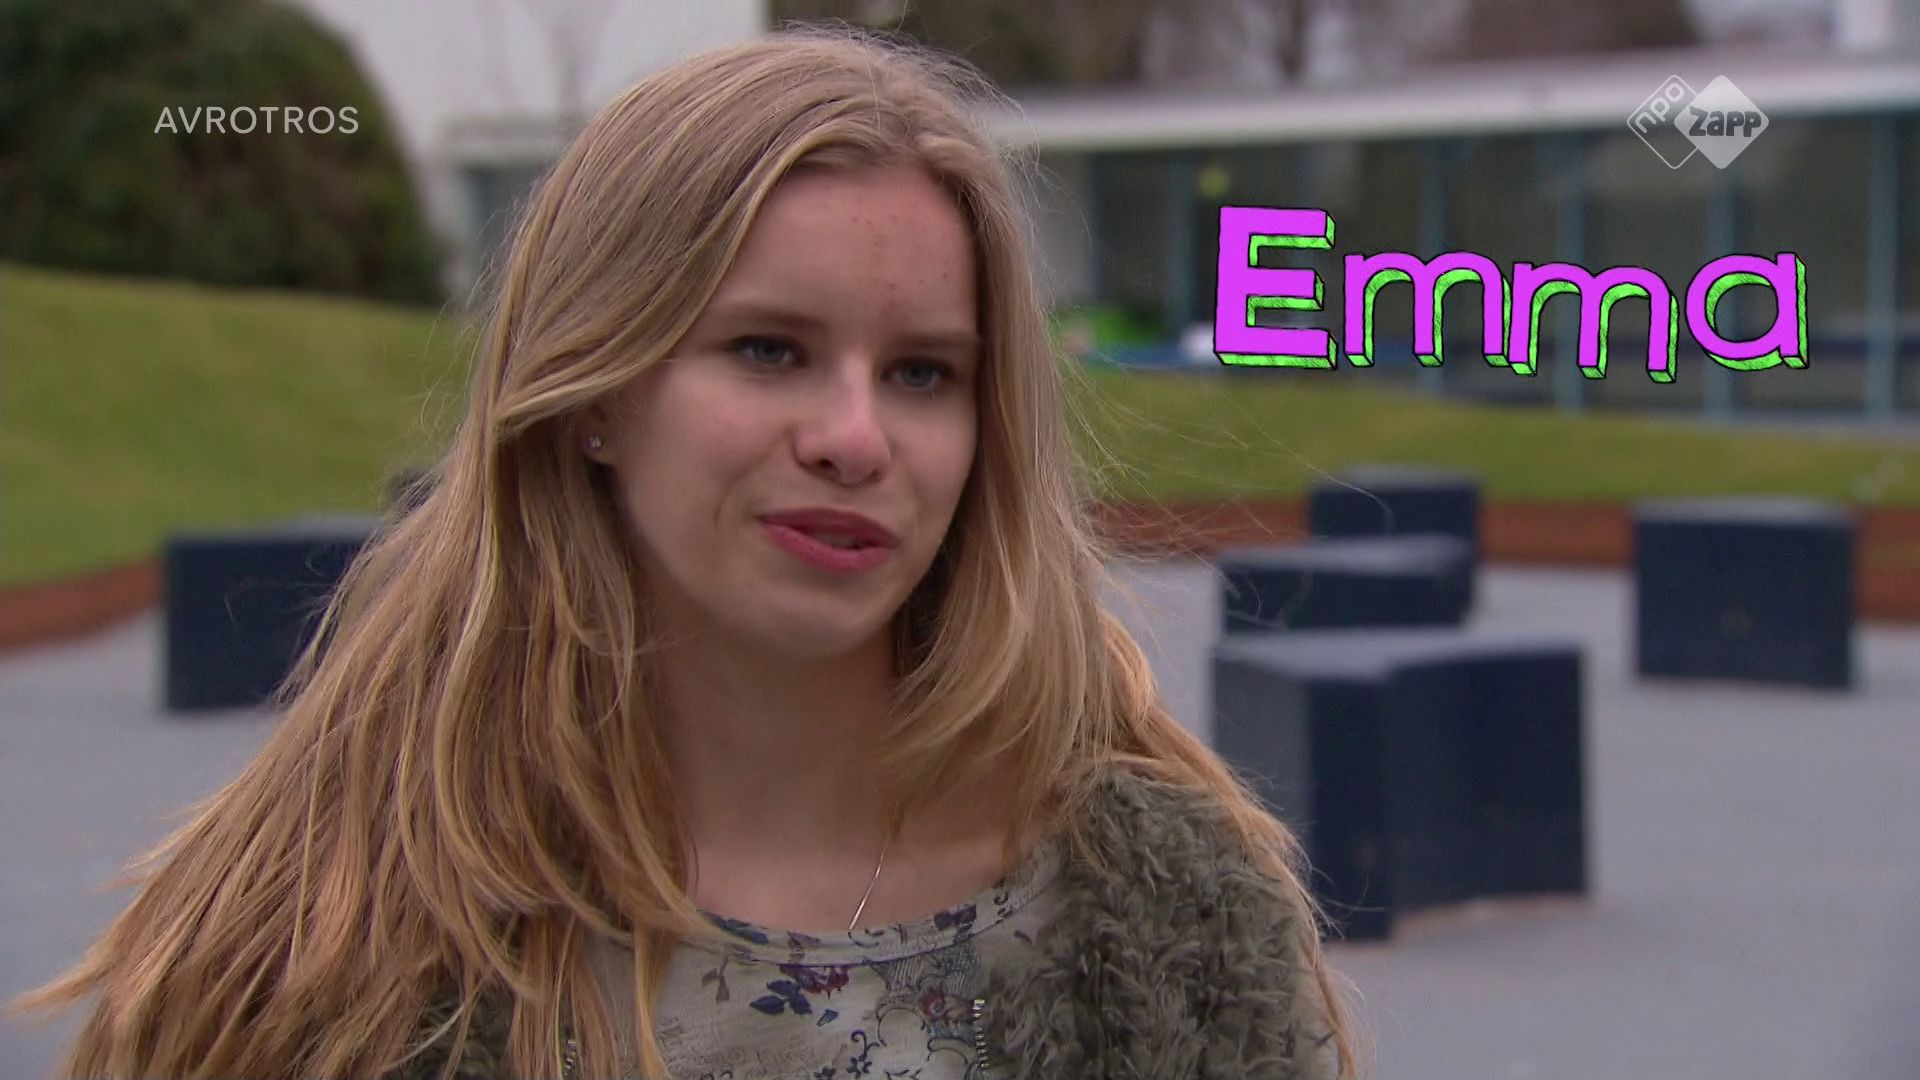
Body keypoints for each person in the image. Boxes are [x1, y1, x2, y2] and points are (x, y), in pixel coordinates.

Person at [16, 29, 1364, 1080]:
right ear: (597, 391)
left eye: (922, 373)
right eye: (769, 349)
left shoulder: (1163, 912)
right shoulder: (326, 937)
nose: (854, 438)